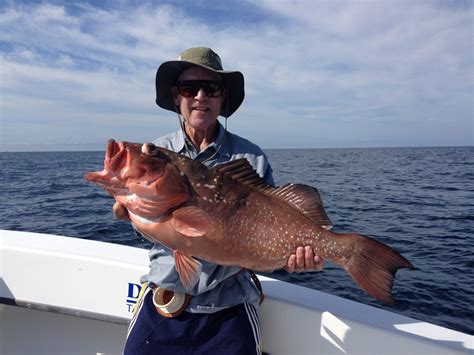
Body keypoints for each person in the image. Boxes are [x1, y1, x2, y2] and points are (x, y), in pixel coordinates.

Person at [121, 47, 324, 355]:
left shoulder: (250, 157)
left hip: (229, 309)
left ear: (221, 98)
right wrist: (131, 216)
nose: (200, 96)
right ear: (177, 97)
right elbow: (157, 224)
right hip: (165, 300)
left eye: (211, 88)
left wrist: (292, 257)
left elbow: (265, 231)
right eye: (190, 88)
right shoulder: (156, 153)